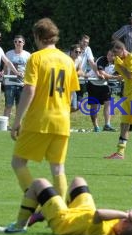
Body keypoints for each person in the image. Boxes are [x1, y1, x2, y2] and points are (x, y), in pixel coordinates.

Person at [10, 18, 80, 200]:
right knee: (58, 168)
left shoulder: (36, 58)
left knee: (18, 162)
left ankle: (38, 201)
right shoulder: (68, 60)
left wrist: (17, 120)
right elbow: (72, 95)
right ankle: (60, 211)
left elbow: (29, 89)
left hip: (39, 120)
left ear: (38, 36)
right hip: (62, 121)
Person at [0, 176, 132, 235]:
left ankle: (19, 227)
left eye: (126, 221)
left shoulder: (103, 233)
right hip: (84, 211)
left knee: (38, 183)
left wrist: (125, 213)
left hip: (64, 220)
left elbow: (100, 213)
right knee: (79, 181)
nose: (127, 219)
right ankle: (44, 213)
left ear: (120, 229)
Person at [3, 35, 31, 124]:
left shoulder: (28, 55)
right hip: (9, 83)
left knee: (20, 106)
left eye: (19, 42)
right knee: (8, 105)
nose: (17, 43)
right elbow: (5, 67)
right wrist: (3, 77)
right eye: (15, 42)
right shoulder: (8, 53)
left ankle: (18, 125)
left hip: (22, 84)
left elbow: (30, 69)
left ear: (23, 43)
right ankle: (5, 125)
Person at [86, 50, 116, 132]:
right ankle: (96, 126)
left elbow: (118, 73)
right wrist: (116, 77)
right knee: (94, 106)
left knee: (108, 103)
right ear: (107, 54)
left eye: (112, 55)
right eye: (109, 55)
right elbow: (102, 73)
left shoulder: (117, 63)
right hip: (93, 84)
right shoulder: (102, 59)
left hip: (104, 85)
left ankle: (107, 125)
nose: (110, 57)